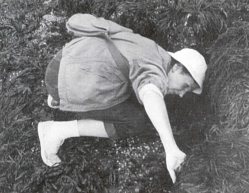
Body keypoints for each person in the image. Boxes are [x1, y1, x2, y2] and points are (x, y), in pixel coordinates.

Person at [37, 14, 207, 183]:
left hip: (62, 60)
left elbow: (83, 22)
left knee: (126, 88)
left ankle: (57, 98)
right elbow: (151, 93)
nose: (182, 94)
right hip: (61, 81)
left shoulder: (150, 48)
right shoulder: (155, 70)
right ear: (177, 67)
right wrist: (171, 148)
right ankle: (54, 131)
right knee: (136, 121)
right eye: (185, 86)